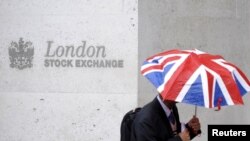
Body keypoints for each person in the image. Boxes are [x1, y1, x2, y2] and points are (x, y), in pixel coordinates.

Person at [130, 94, 201, 141]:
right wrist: (179, 139)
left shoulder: (172, 107)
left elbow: (174, 134)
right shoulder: (146, 120)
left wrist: (190, 129)